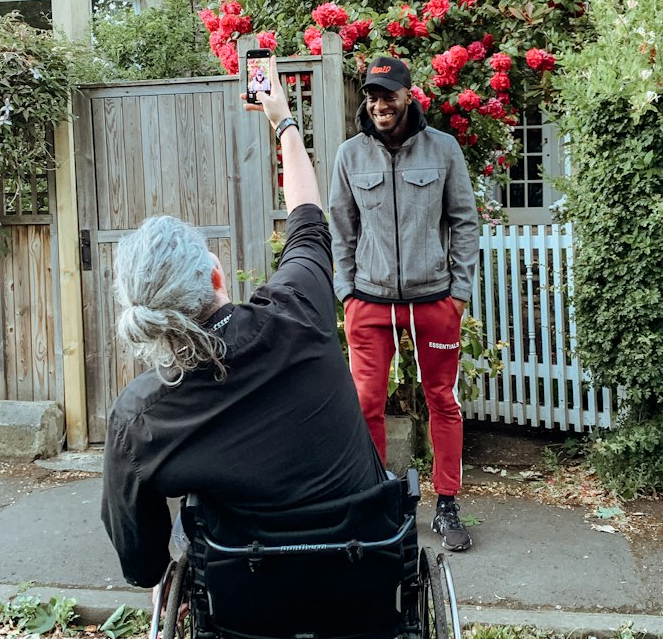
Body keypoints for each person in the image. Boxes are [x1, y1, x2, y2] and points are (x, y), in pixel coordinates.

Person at [101, 56, 386, 589]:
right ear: (215, 277)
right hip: (362, 576)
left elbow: (142, 567)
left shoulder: (140, 417)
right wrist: (283, 120)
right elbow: (307, 217)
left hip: (246, 597)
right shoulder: (299, 309)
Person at [329, 55, 480, 552]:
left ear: (408, 96)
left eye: (388, 95)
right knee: (366, 404)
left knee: (443, 401)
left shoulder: (444, 150)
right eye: (372, 95)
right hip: (369, 304)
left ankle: (448, 504)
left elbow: (464, 221)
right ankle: (377, 503)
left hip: (433, 299)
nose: (379, 104)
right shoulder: (350, 156)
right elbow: (342, 229)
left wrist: (459, 293)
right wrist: (347, 292)